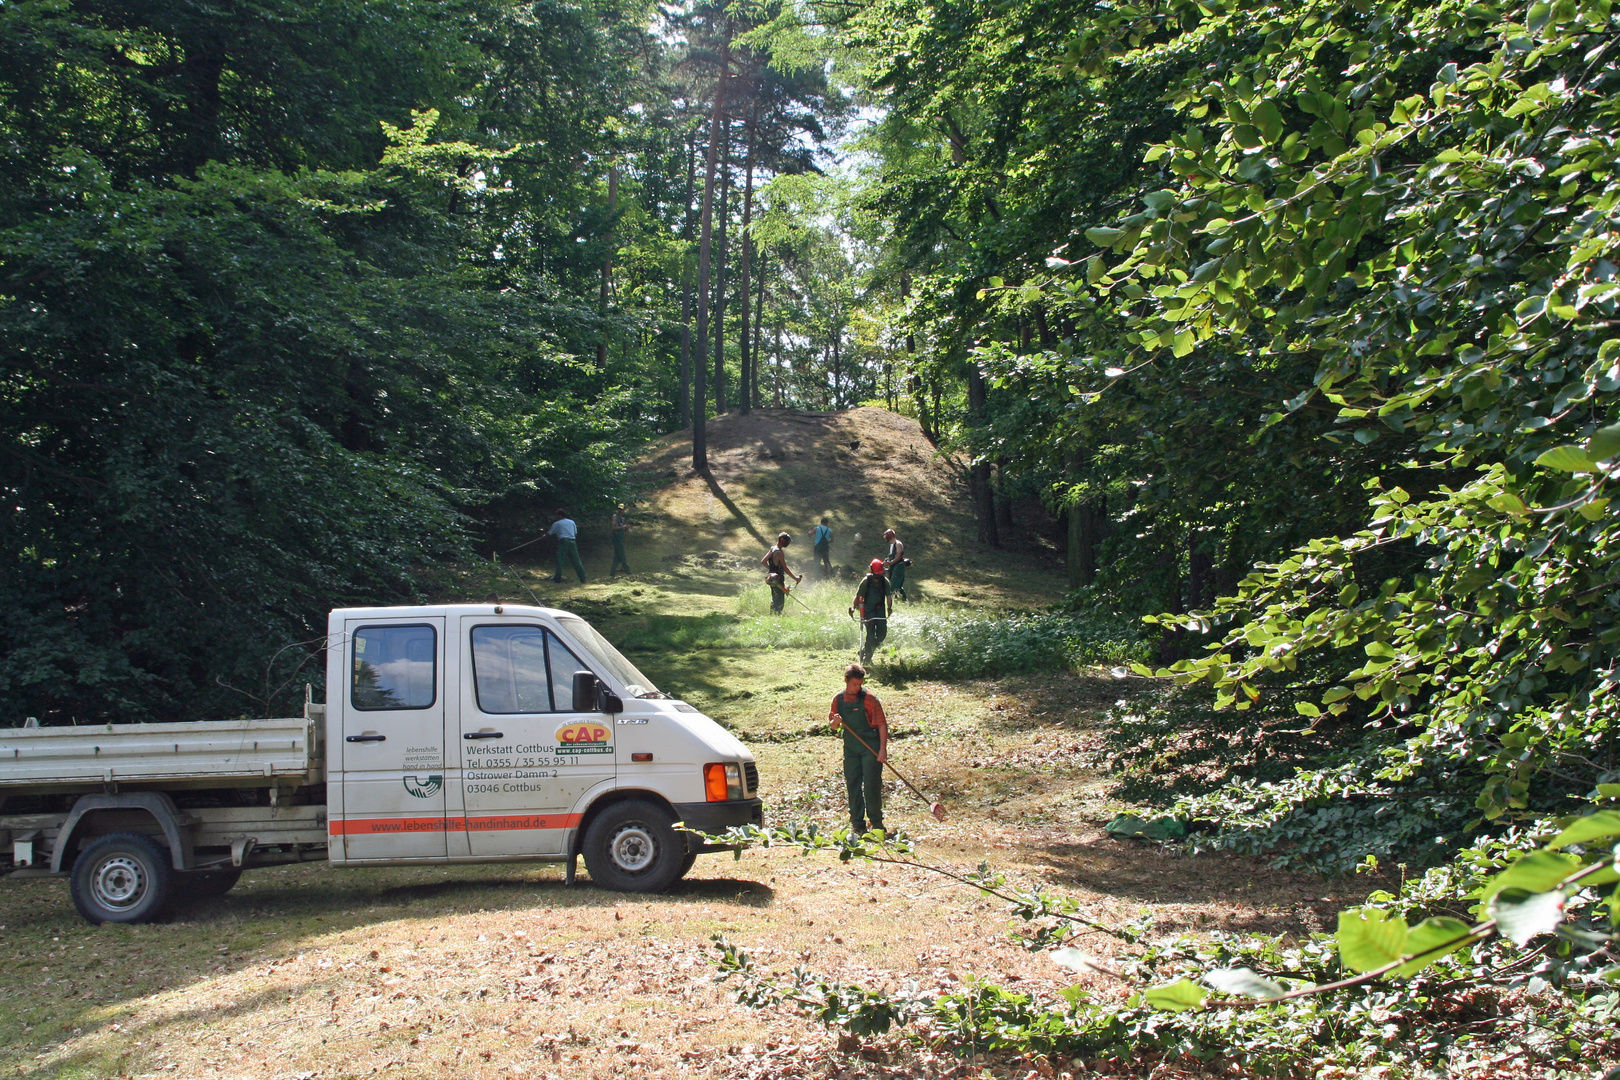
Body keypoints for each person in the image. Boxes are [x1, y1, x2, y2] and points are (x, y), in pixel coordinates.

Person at [828, 663, 888, 834]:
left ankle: (877, 824)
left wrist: (883, 749)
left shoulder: (870, 699)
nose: (858, 687)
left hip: (871, 747)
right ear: (846, 681)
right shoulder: (838, 699)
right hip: (851, 749)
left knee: (871, 785)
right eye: (855, 684)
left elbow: (882, 725)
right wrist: (836, 722)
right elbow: (832, 726)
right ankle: (858, 824)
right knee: (853, 784)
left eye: (860, 684)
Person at [852, 558, 892, 665]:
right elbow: (858, 596)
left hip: (880, 611)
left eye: (879, 575)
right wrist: (853, 608)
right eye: (876, 574)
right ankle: (867, 658)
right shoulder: (866, 581)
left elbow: (888, 596)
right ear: (871, 571)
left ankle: (865, 650)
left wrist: (889, 607)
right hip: (868, 611)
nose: (878, 577)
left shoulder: (885, 582)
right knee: (870, 634)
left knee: (881, 634)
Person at [761, 532, 801, 615]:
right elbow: (785, 568)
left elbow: (763, 562)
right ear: (783, 540)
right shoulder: (779, 553)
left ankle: (772, 616)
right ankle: (775, 616)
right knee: (779, 601)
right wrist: (796, 578)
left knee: (775, 598)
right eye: (788, 542)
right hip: (778, 579)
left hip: (771, 579)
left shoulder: (772, 548)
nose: (788, 543)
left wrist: (772, 570)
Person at [549, 509, 587, 584]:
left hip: (563, 541)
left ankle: (557, 579)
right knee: (576, 561)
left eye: (556, 515)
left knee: (560, 560)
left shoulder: (557, 523)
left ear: (560, 515)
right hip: (573, 542)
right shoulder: (571, 522)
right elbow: (575, 533)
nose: (555, 517)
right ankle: (583, 579)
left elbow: (550, 533)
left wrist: (543, 536)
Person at [882, 528, 910, 602]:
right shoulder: (892, 545)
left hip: (899, 567)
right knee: (895, 585)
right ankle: (904, 600)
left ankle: (900, 600)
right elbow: (892, 556)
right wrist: (887, 560)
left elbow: (898, 556)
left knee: (895, 585)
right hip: (893, 566)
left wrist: (891, 562)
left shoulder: (898, 544)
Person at [610, 503, 631, 575]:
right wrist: (623, 527)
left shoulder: (622, 519)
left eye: (621, 509)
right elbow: (613, 528)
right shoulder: (615, 516)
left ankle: (612, 573)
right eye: (619, 509)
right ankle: (628, 571)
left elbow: (621, 529)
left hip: (621, 539)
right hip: (617, 539)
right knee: (622, 556)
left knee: (617, 558)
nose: (620, 510)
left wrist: (626, 528)